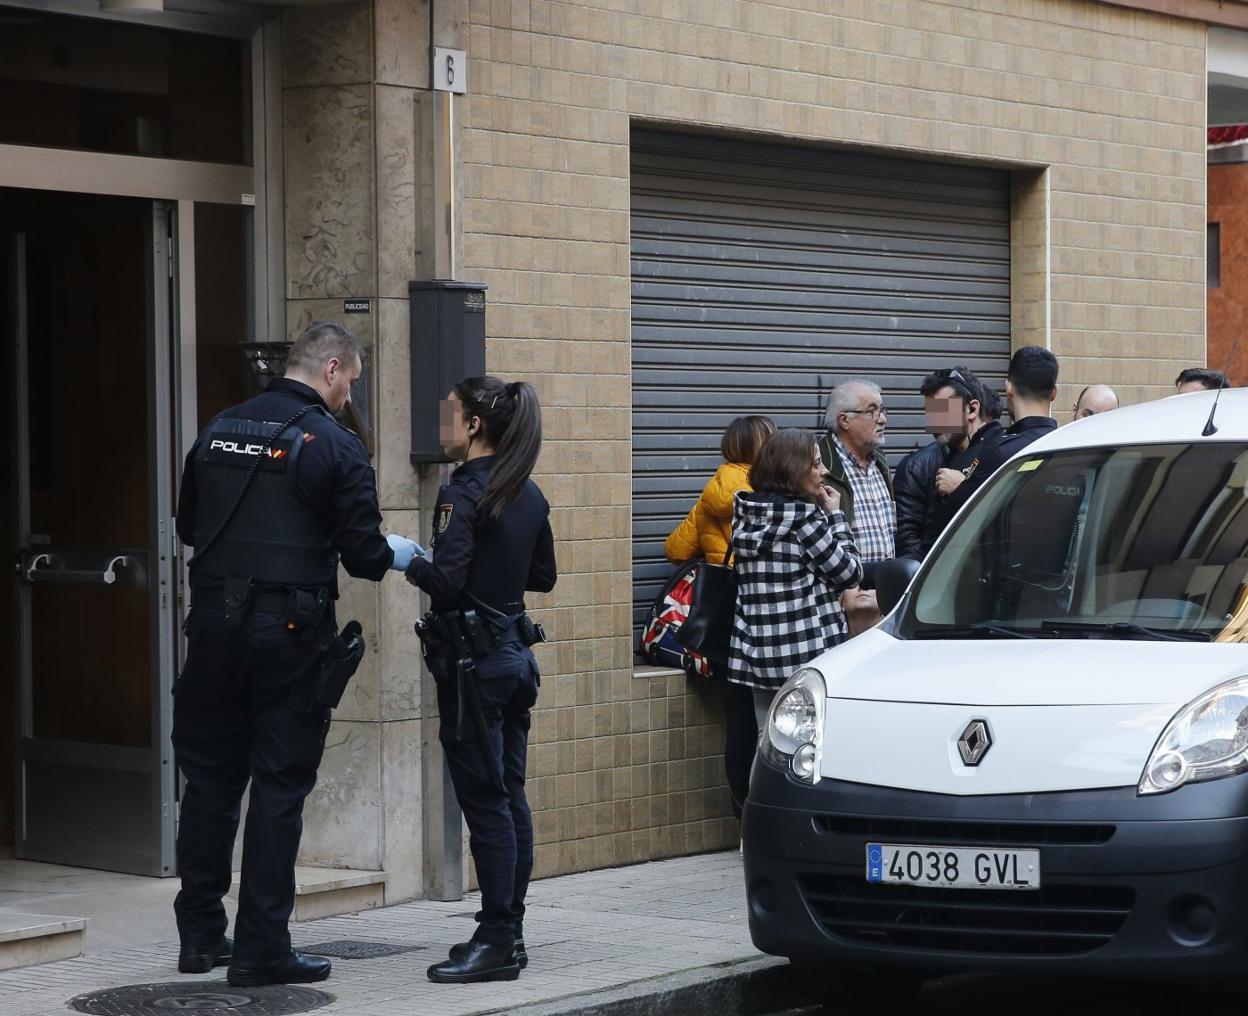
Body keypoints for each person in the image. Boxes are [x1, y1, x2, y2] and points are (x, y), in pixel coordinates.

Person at [173, 321, 419, 987]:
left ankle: (199, 937)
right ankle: (260, 950)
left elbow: (189, 525)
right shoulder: (334, 445)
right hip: (288, 635)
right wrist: (402, 552)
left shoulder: (219, 426)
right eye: (352, 384)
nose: (349, 398)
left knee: (212, 782)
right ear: (334, 369)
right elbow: (366, 557)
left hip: (213, 628)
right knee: (280, 786)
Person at [409, 376, 557, 985]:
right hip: (514, 661)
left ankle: (496, 939)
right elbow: (543, 576)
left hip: (475, 669)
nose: (444, 426)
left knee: (487, 804)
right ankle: (510, 932)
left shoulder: (463, 493)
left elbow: (444, 582)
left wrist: (404, 556)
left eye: (451, 415)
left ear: (473, 426)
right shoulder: (527, 493)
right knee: (510, 796)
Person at [663, 415, 774, 819]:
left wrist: (706, 526)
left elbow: (675, 548)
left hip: (724, 621)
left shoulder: (713, 493)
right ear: (761, 447)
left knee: (740, 720)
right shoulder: (771, 493)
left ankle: (742, 812)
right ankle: (770, 812)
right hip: (764, 613)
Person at [729, 429, 863, 723]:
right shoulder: (805, 520)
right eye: (816, 464)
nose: (825, 471)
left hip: (758, 653)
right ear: (793, 470)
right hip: (806, 654)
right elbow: (849, 573)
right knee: (810, 745)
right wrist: (836, 516)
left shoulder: (745, 515)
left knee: (768, 738)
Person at [933, 345, 1059, 523]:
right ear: (1054, 392)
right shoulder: (1072, 446)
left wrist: (961, 489)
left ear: (1008, 388)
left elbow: (961, 525)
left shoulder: (998, 452)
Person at [817, 381, 894, 633]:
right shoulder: (818, 466)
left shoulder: (879, 462)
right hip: (843, 608)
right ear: (844, 420)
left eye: (882, 410)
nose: (882, 419)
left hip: (884, 602)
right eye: (872, 411)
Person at [894, 367, 988, 559]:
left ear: (972, 409)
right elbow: (909, 546)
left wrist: (962, 490)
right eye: (931, 413)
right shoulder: (918, 466)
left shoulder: (1003, 455)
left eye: (943, 411)